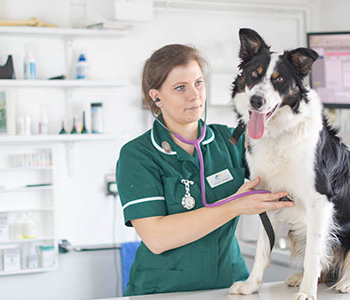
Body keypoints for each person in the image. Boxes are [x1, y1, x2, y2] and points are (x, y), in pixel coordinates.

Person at [116, 44, 294, 296]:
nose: (194, 96)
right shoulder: (138, 155)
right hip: (163, 290)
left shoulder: (231, 140)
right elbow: (157, 238)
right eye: (180, 88)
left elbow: (289, 174)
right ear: (156, 97)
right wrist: (234, 205)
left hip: (229, 284)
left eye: (198, 83)